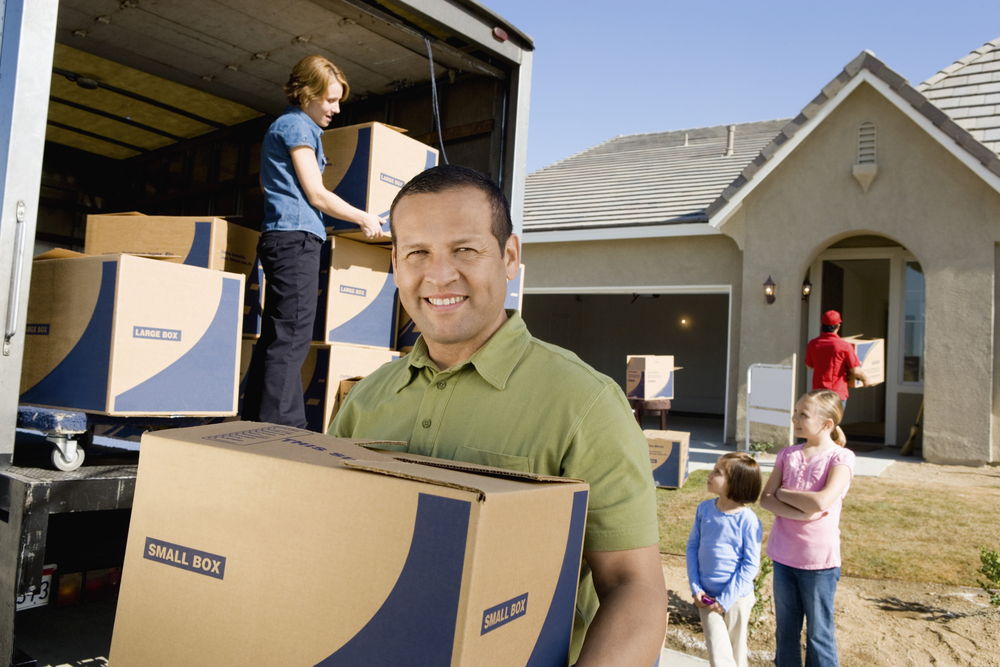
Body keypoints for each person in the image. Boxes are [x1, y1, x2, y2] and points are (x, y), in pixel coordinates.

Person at [330, 164, 667, 665]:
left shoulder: (586, 403)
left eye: (465, 250)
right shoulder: (363, 401)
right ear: (396, 264)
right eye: (418, 253)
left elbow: (633, 588)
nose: (440, 275)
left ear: (509, 257)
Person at [243, 55, 384, 428]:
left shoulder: (287, 128)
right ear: (306, 94)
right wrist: (364, 218)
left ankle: (254, 418)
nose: (336, 109)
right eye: (330, 100)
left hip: (281, 236)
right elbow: (317, 195)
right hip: (295, 240)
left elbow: (270, 186)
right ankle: (284, 428)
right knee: (291, 337)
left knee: (277, 333)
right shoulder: (297, 128)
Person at [760, 389, 855, 667]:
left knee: (819, 635)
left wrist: (784, 493)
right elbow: (766, 498)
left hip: (819, 563)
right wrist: (802, 512)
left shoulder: (841, 458)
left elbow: (823, 499)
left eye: (803, 414)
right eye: (795, 412)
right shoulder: (787, 454)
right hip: (783, 557)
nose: (795, 418)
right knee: (785, 632)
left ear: (827, 424)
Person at [686, 452, 763, 667]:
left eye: (718, 472)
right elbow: (693, 547)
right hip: (707, 598)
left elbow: (750, 564)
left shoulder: (748, 520)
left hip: (736, 600)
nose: (710, 475)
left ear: (736, 483)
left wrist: (726, 599)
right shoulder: (704, 510)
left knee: (736, 654)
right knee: (719, 655)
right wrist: (696, 588)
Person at [804, 310, 868, 405]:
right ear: (838, 326)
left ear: (822, 326)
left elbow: (809, 365)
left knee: (820, 419)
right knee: (834, 420)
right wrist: (866, 380)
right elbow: (856, 371)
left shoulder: (813, 344)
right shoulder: (844, 346)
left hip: (818, 393)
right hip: (837, 393)